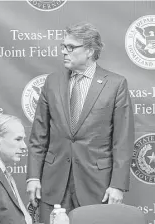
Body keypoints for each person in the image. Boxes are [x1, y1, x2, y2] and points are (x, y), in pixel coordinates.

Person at [26, 22, 134, 224]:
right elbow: (38, 137)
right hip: (54, 185)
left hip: (96, 186)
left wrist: (117, 185)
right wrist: (33, 177)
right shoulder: (52, 82)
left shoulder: (116, 84)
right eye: (63, 47)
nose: (64, 52)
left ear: (90, 51)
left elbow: (122, 141)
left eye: (71, 47)